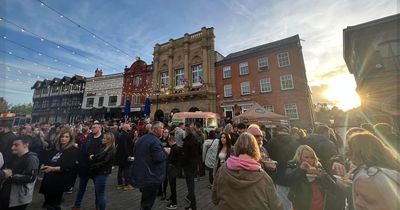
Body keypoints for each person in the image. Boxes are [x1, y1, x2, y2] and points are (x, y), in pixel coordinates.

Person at [212, 132, 282, 210]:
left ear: (236, 147)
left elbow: (214, 199)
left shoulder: (222, 170)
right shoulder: (264, 178)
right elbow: (277, 206)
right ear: (255, 149)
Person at [347, 132, 400, 210]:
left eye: (368, 200)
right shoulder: (392, 164)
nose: (357, 202)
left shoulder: (372, 176)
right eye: (357, 195)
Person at [285, 145, 338, 210]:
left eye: (312, 157)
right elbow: (288, 179)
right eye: (306, 157)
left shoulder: (318, 167)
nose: (309, 160)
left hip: (319, 204)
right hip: (301, 205)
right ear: (299, 157)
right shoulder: (293, 165)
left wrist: (322, 175)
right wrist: (300, 169)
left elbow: (333, 187)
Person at [131, 121, 168, 210]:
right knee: (147, 203)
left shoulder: (142, 138)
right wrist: (166, 152)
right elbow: (158, 158)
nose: (163, 130)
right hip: (151, 176)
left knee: (145, 200)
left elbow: (136, 152)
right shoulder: (155, 141)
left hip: (142, 174)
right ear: (155, 129)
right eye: (162, 128)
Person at [39, 129, 79, 210]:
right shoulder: (57, 149)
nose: (63, 138)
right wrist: (45, 165)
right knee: (48, 202)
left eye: (66, 137)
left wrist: (52, 168)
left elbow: (68, 166)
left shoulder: (72, 150)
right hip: (50, 179)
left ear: (70, 139)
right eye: (62, 136)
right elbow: (50, 159)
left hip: (59, 181)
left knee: (54, 204)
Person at [0, 135, 40, 210]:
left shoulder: (31, 159)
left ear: (26, 145)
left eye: (16, 145)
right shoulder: (14, 157)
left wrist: (10, 177)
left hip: (18, 199)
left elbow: (31, 177)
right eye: (12, 145)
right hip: (7, 194)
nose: (12, 147)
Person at [266, 125, 300, 210]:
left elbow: (268, 158)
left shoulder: (272, 141)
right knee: (294, 201)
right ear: (288, 132)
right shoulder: (295, 142)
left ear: (277, 132)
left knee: (282, 202)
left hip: (278, 175)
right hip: (294, 174)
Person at [72, 121, 104, 210]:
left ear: (99, 128)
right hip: (85, 167)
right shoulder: (89, 138)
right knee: (81, 187)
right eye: (92, 127)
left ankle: (97, 206)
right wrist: (80, 162)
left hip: (96, 168)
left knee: (97, 190)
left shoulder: (103, 139)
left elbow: (104, 154)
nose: (92, 129)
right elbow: (82, 150)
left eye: (94, 127)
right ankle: (77, 205)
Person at [88, 132, 116, 210]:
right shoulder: (104, 147)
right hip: (98, 172)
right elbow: (99, 156)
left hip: (102, 173)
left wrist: (93, 165)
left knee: (100, 194)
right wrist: (93, 157)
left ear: (109, 140)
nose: (102, 139)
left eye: (104, 138)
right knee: (98, 193)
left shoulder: (111, 150)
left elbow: (104, 162)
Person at [182, 126, 200, 210]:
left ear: (187, 132)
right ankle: (190, 198)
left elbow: (185, 156)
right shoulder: (195, 140)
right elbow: (199, 152)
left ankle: (193, 206)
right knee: (191, 185)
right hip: (194, 164)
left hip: (188, 166)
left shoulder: (187, 142)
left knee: (190, 186)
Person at [116, 123, 134, 190]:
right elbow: (125, 146)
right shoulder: (125, 135)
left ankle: (120, 184)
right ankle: (127, 184)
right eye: (129, 126)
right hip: (125, 156)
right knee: (127, 170)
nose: (130, 127)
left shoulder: (122, 134)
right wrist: (128, 155)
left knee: (120, 169)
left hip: (121, 156)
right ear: (126, 128)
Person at [165, 137, 180, 210]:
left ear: (171, 141)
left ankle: (174, 202)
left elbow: (170, 160)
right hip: (175, 168)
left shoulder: (174, 149)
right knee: (172, 185)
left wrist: (167, 154)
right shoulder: (176, 148)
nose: (169, 144)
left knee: (172, 186)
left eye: (169, 142)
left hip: (172, 169)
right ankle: (172, 198)